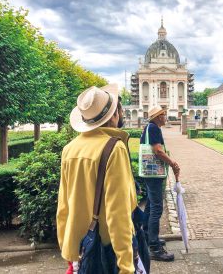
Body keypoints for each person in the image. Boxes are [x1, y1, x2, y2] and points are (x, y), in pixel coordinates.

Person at [57, 84, 137, 274]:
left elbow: (63, 205)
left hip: (79, 247)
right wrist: (126, 265)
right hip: (104, 249)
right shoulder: (114, 148)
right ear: (114, 115)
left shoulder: (70, 148)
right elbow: (118, 215)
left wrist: (67, 248)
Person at [140, 106, 180, 262]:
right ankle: (155, 248)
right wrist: (172, 163)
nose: (165, 117)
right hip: (154, 174)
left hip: (149, 173)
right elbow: (158, 150)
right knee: (157, 208)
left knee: (150, 205)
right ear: (157, 117)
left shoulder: (149, 127)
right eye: (163, 115)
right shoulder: (154, 128)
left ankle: (147, 237)